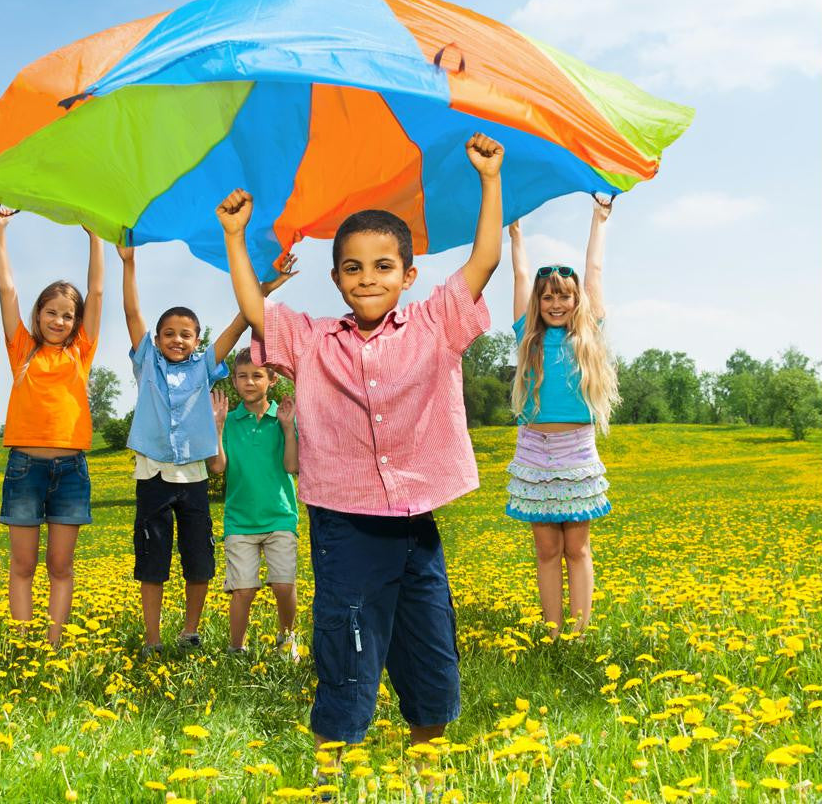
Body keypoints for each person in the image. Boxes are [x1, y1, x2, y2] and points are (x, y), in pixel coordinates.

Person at [214, 133, 504, 751]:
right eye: (353, 267)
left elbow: (484, 262)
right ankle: (330, 770)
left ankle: (429, 766)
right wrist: (237, 240)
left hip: (413, 521)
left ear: (407, 275)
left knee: (428, 641)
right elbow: (256, 311)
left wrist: (489, 180)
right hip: (344, 526)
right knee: (345, 642)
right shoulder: (313, 340)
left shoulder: (433, 323)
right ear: (337, 277)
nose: (367, 278)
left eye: (382, 266)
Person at [117, 244, 295, 655]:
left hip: (193, 478)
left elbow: (238, 326)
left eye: (186, 334)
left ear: (198, 341)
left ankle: (190, 631)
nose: (177, 340)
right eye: (169, 334)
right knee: (152, 561)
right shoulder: (147, 362)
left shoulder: (203, 366)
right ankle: (153, 638)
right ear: (156, 339)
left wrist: (264, 290)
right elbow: (131, 315)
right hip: (153, 478)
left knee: (198, 560)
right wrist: (129, 264)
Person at [506, 197, 619, 638]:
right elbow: (519, 274)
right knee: (547, 549)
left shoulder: (589, 334)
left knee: (578, 547)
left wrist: (600, 218)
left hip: (576, 449)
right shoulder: (526, 336)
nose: (556, 303)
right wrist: (515, 232)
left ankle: (579, 632)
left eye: (564, 296)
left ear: (577, 302)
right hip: (534, 448)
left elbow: (594, 272)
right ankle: (552, 634)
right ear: (539, 301)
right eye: (548, 296)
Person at [0, 207, 104, 647]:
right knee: (22, 565)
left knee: (61, 565)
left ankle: (54, 645)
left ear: (76, 322)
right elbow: (7, 288)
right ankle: (22, 646)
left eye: (67, 315)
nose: (59, 321)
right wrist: (0, 229)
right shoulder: (21, 350)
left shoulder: (81, 352)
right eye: (51, 312)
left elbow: (95, 292)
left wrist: (94, 237)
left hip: (71, 472)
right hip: (24, 470)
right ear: (39, 314)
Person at [207, 350, 299, 656]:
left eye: (257, 375)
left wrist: (288, 429)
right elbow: (217, 467)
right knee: (243, 589)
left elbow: (291, 466)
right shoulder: (229, 422)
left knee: (283, 584)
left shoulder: (283, 418)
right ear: (234, 380)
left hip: (280, 517)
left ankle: (286, 641)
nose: (249, 382)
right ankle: (236, 648)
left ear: (272, 380)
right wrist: (217, 430)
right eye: (242, 376)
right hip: (240, 521)